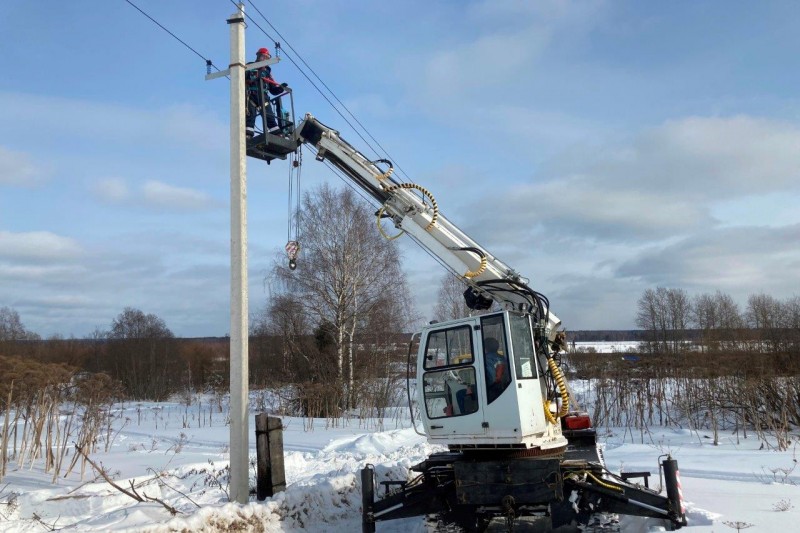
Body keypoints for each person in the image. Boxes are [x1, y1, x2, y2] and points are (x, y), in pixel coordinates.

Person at [245, 47, 288, 138]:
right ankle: (248, 135)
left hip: (263, 97)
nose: (265, 59)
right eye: (263, 57)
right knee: (250, 116)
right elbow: (247, 77)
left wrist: (281, 88)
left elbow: (273, 89)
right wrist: (258, 73)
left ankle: (277, 134)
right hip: (251, 95)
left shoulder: (267, 73)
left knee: (269, 116)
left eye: (267, 58)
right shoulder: (250, 66)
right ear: (258, 56)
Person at [483, 337, 510, 403]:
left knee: (461, 394)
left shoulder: (486, 359)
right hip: (504, 387)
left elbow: (492, 379)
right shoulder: (503, 358)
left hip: (492, 390)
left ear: (485, 348)